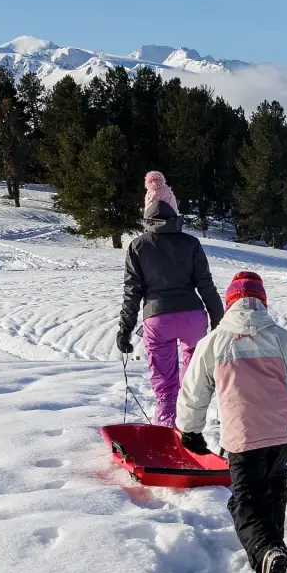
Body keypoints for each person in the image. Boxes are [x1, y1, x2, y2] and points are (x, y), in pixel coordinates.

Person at [177, 271, 287, 573]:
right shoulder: (280, 337)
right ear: (262, 302)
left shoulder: (214, 342)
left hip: (243, 436)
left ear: (230, 302)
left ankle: (266, 551)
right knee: (275, 484)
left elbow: (193, 391)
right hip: (280, 434)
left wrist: (190, 431)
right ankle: (275, 545)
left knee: (245, 499)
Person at [117, 170, 224, 428]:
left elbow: (133, 291)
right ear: (174, 209)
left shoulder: (137, 246)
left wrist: (125, 329)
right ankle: (191, 433)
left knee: (166, 386)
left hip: (157, 319)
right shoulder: (191, 244)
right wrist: (219, 322)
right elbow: (206, 285)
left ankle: (167, 434)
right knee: (193, 381)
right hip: (193, 318)